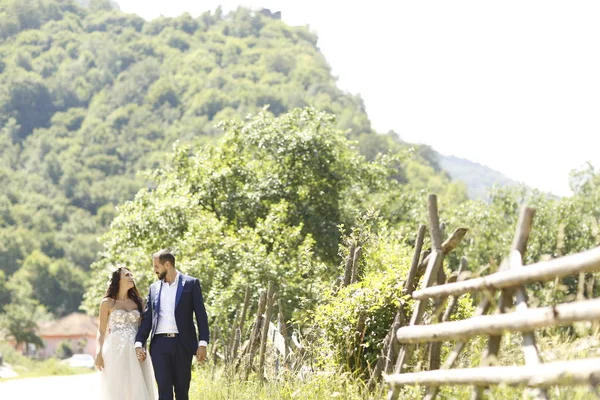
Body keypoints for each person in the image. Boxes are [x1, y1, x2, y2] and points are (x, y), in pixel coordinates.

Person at [135, 249, 209, 400]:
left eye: (156, 266)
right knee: (164, 390)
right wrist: (138, 342)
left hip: (183, 344)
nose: (154, 270)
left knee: (182, 390)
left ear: (167, 265)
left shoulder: (190, 283)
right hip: (159, 345)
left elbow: (201, 314)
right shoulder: (153, 288)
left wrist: (203, 343)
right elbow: (148, 317)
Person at [95, 265, 158, 400]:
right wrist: (98, 353)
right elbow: (101, 331)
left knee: (137, 387)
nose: (131, 277)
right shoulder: (107, 303)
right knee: (117, 387)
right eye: (127, 275)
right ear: (118, 280)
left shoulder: (138, 302)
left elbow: (144, 329)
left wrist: (144, 349)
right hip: (115, 350)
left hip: (136, 350)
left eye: (131, 275)